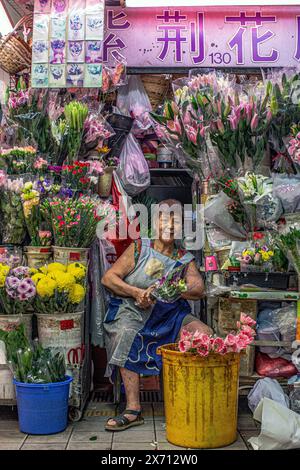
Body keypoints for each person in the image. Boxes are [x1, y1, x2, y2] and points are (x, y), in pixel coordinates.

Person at [102, 199, 212, 432]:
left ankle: (184, 398)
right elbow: (109, 278)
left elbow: (198, 288)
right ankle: (133, 409)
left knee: (204, 334)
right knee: (125, 333)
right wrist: (136, 292)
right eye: (165, 219)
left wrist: (173, 286)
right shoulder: (140, 247)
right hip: (132, 310)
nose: (170, 225)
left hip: (170, 316)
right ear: (155, 222)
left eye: (176, 221)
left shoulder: (184, 258)